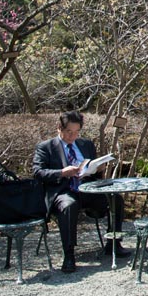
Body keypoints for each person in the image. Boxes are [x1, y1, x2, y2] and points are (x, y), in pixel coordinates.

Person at [33, 111, 128, 273]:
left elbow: (94, 173)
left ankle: (114, 243)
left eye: (77, 132)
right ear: (59, 128)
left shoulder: (86, 145)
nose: (73, 136)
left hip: (86, 188)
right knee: (69, 205)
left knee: (116, 199)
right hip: (63, 191)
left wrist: (99, 168)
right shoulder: (46, 147)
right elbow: (38, 172)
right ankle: (69, 254)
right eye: (69, 132)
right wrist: (62, 172)